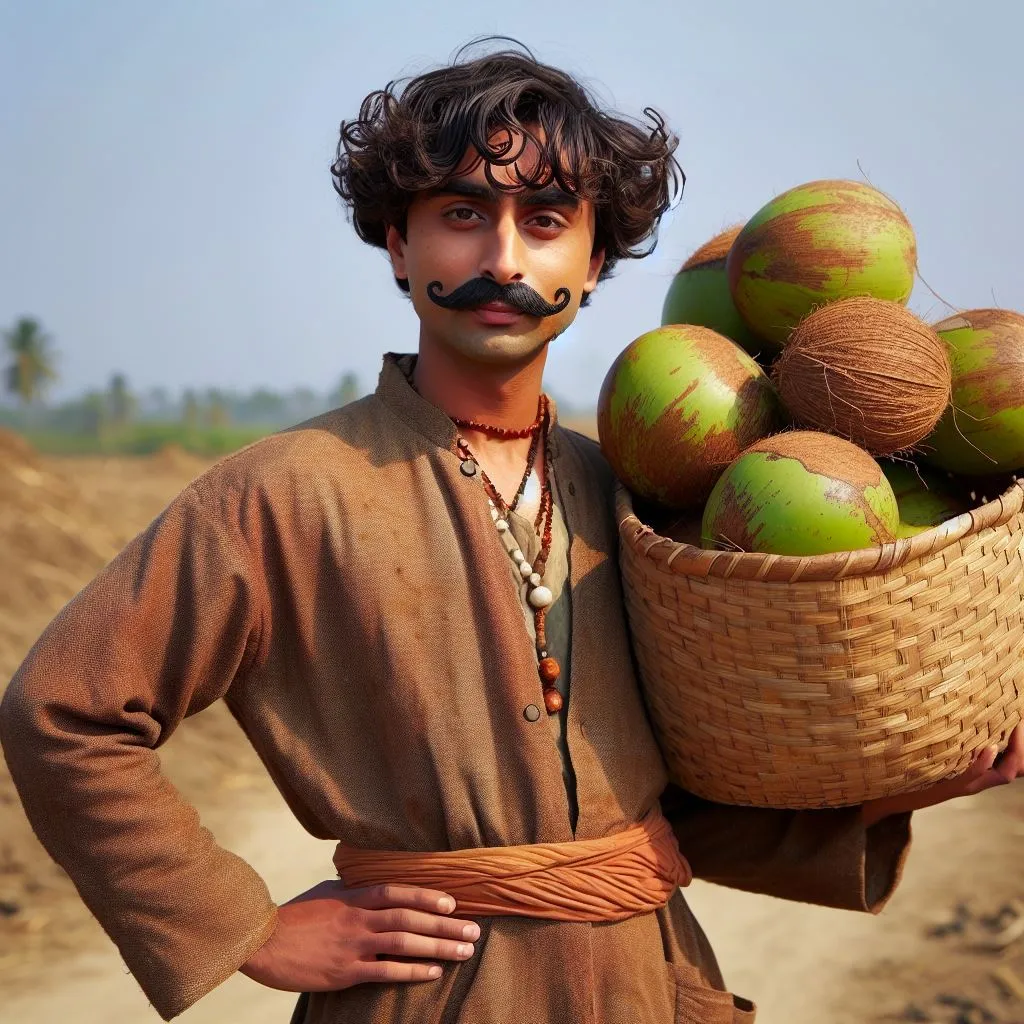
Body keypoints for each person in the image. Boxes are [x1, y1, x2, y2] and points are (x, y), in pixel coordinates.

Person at [1, 38, 1022, 1024]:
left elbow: (679, 806)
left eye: (544, 220)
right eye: (459, 215)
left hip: (648, 981)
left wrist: (897, 788)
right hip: (426, 995)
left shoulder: (626, 494)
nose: (501, 257)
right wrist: (243, 925)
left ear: (593, 257)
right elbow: (65, 712)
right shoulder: (281, 493)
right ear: (398, 243)